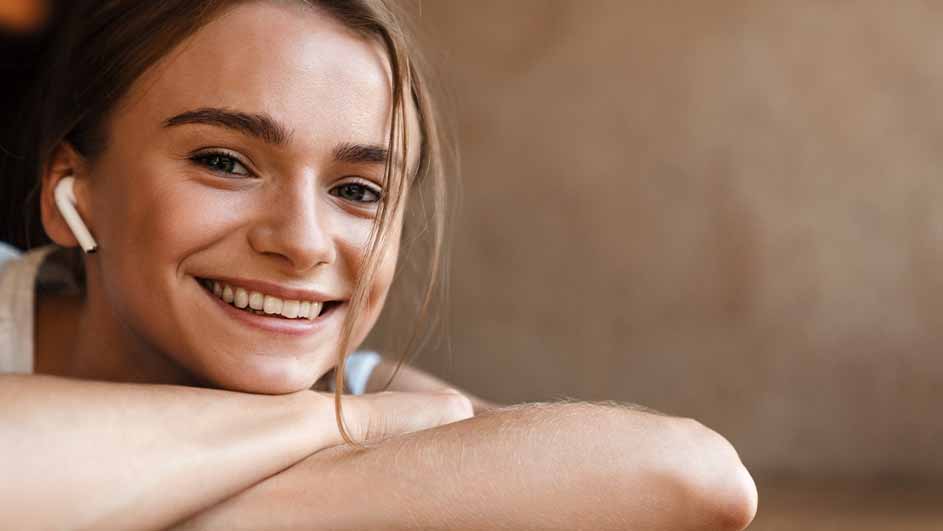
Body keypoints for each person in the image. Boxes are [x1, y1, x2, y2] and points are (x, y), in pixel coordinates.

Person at [0, 1, 758, 529]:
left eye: (358, 190)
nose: (302, 242)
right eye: (224, 161)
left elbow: (695, 480)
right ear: (72, 188)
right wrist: (349, 425)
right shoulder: (371, 415)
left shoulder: (372, 392)